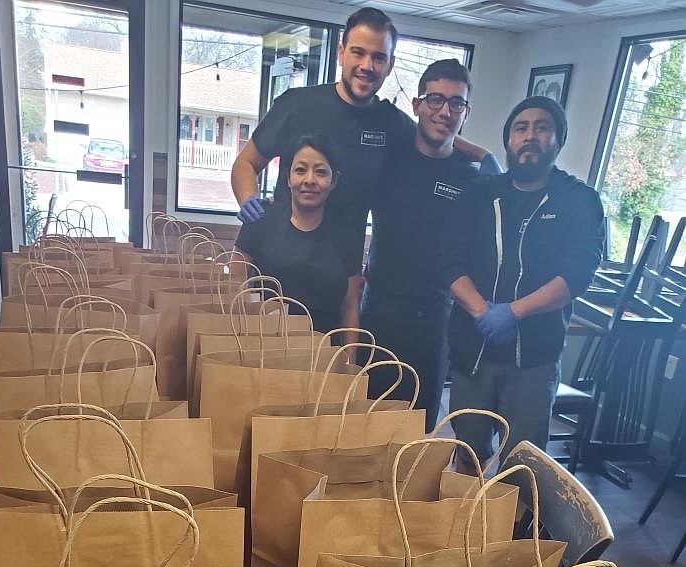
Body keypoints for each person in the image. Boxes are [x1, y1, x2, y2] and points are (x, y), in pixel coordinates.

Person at [439, 95, 605, 464]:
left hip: (533, 359)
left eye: (541, 127)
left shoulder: (580, 202)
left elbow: (576, 275)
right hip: (473, 353)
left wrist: (514, 312)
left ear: (558, 140)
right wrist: (482, 311)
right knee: (466, 457)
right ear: (508, 140)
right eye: (521, 127)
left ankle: (516, 524)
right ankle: (460, 521)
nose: (530, 135)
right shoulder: (480, 195)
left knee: (523, 467)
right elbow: (448, 260)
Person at [231, 7, 410, 328]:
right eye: (358, 52)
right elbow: (246, 162)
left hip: (338, 276)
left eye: (379, 58)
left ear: (390, 65)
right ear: (341, 53)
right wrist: (248, 200)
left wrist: (481, 154)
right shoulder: (298, 104)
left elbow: (434, 139)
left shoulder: (391, 123)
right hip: (280, 266)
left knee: (329, 364)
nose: (367, 66)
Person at [360, 59, 500, 430]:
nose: (445, 110)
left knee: (419, 427)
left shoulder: (472, 179)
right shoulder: (390, 157)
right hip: (378, 310)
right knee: (364, 423)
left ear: (466, 112)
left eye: (456, 103)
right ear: (417, 104)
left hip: (435, 319)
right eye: (435, 99)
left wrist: (486, 157)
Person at [234, 135, 361, 334]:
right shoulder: (261, 219)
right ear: (288, 177)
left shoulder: (347, 236)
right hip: (259, 349)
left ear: (333, 180)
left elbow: (351, 306)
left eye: (320, 172)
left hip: (323, 356)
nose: (309, 180)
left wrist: (350, 361)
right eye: (300, 170)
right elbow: (235, 280)